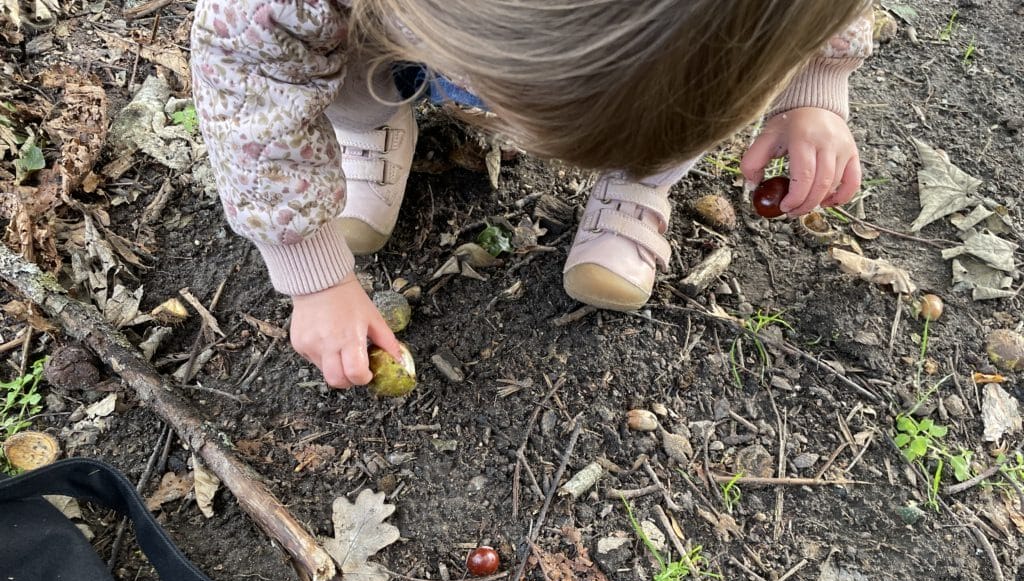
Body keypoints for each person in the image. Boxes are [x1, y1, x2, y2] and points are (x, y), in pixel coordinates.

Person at [190, 0, 873, 389]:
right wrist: (312, 271)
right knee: (328, 68)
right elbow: (251, 86)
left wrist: (817, 81)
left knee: (691, 87)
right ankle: (366, 118)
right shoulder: (275, 10)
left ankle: (641, 166)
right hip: (379, 33)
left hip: (684, 44)